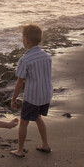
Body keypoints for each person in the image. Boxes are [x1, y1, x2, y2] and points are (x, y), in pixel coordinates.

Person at [10, 24, 53, 158]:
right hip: (46, 94)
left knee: (24, 121)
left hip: (33, 97)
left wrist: (13, 98)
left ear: (26, 40)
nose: (22, 40)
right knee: (38, 117)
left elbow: (19, 82)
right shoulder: (47, 56)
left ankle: (20, 150)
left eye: (23, 38)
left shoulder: (25, 59)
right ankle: (45, 144)